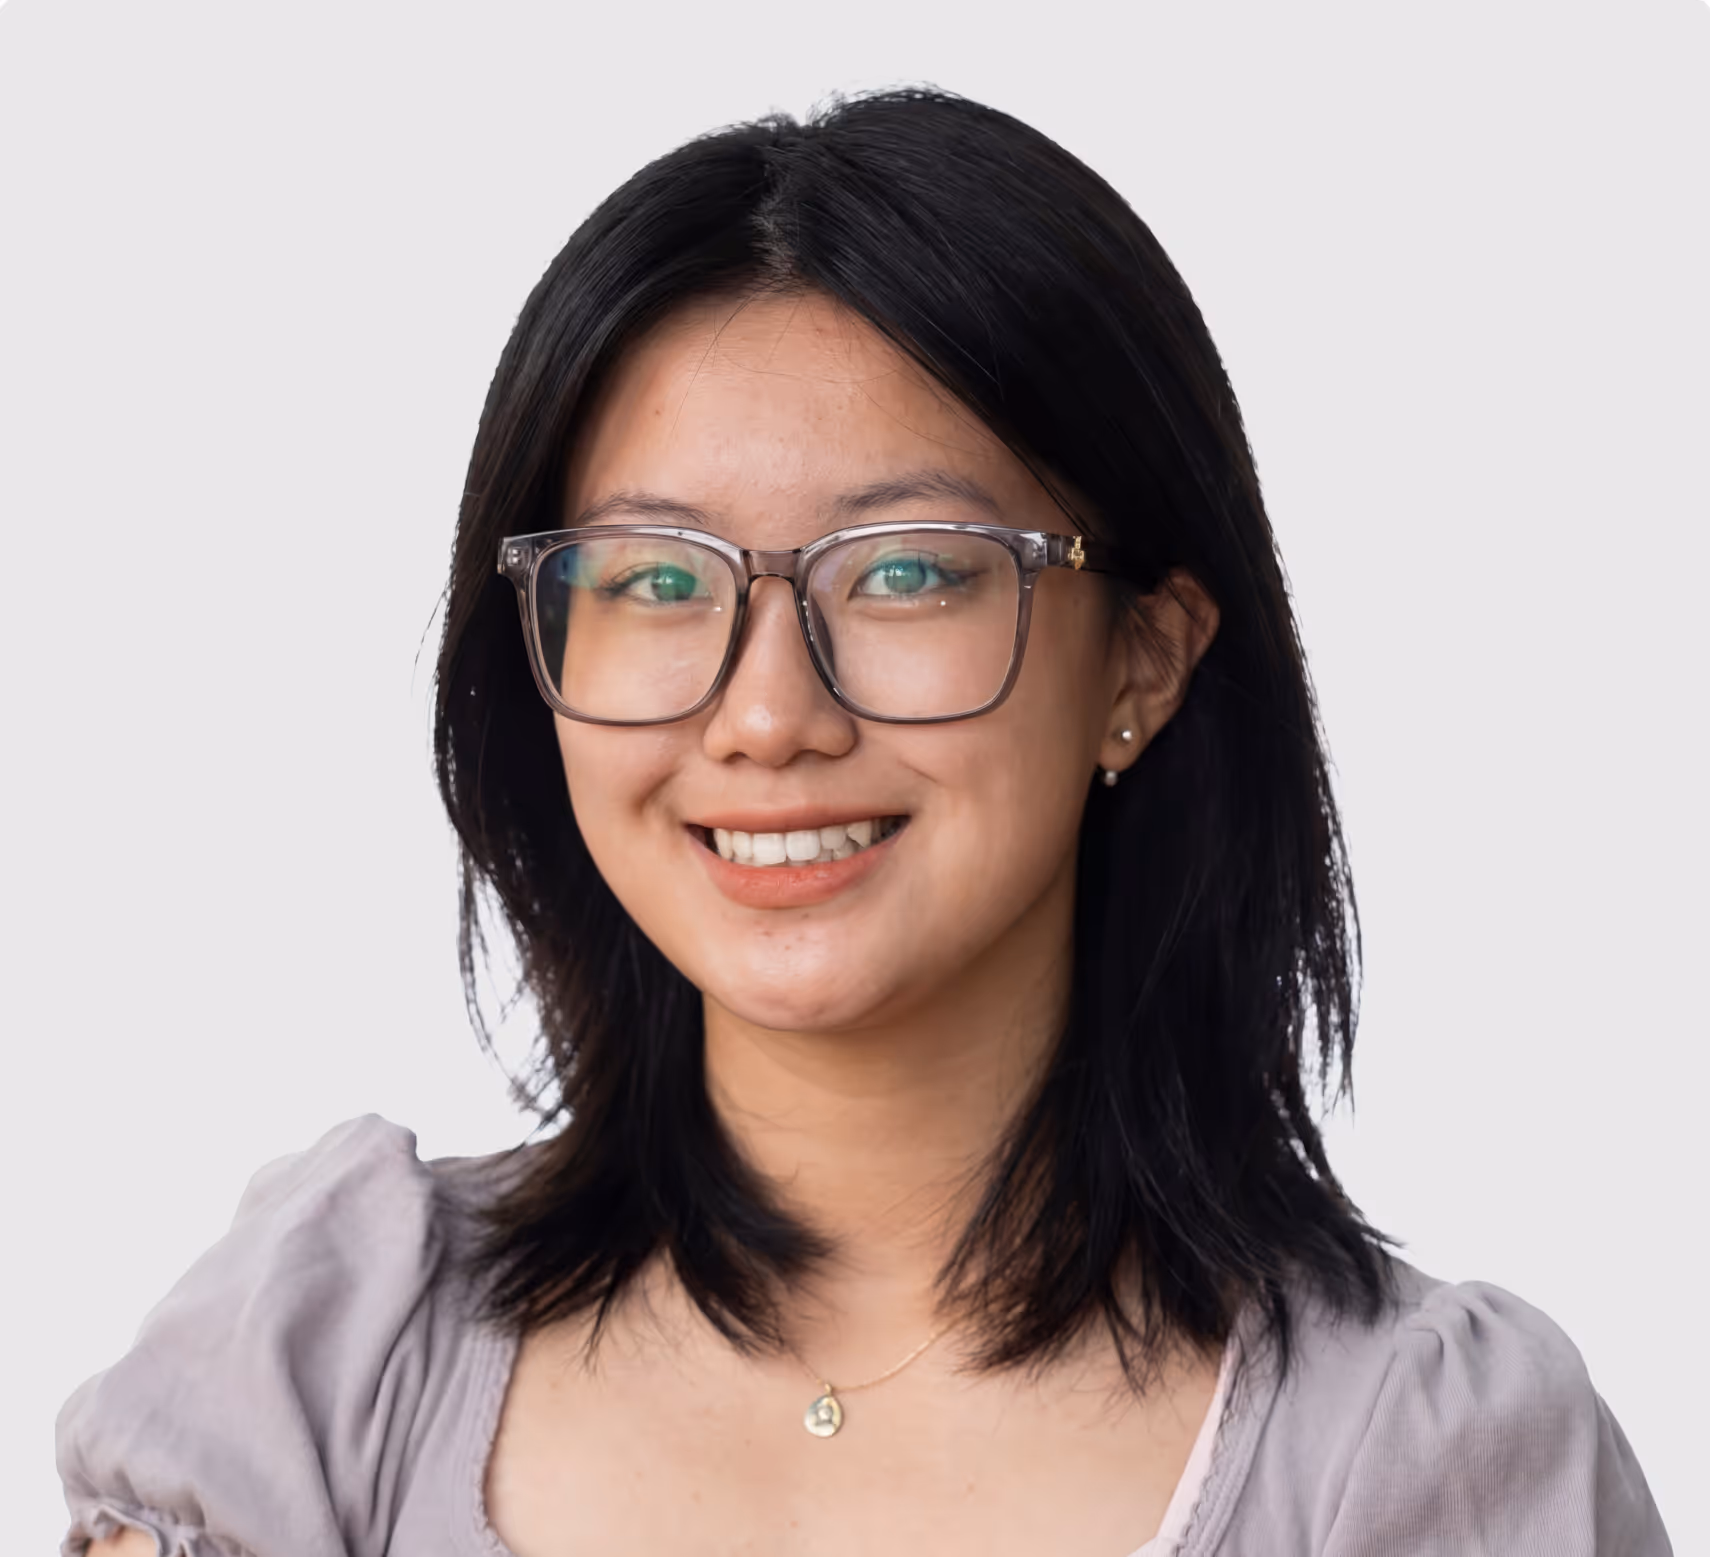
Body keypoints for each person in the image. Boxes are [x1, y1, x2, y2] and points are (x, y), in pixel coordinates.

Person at [57, 88, 1671, 1557]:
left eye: (905, 572)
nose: (766, 716)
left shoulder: (1421, 1457)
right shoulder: (328, 1353)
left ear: (1143, 659)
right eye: (654, 581)